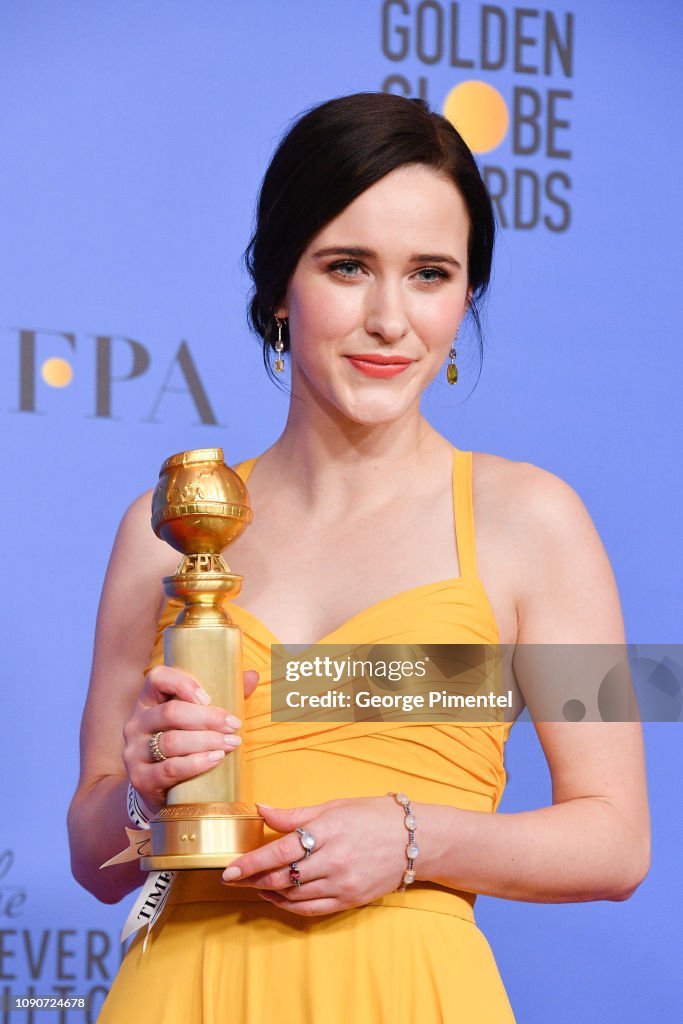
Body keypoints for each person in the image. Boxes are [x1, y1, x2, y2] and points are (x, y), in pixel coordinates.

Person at [68, 92, 650, 1023]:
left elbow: (616, 841)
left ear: (466, 298)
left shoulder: (536, 523)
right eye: (347, 266)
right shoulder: (165, 526)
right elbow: (91, 858)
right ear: (276, 289)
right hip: (182, 990)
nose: (389, 318)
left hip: (407, 993)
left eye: (429, 274)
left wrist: (413, 841)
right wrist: (139, 797)